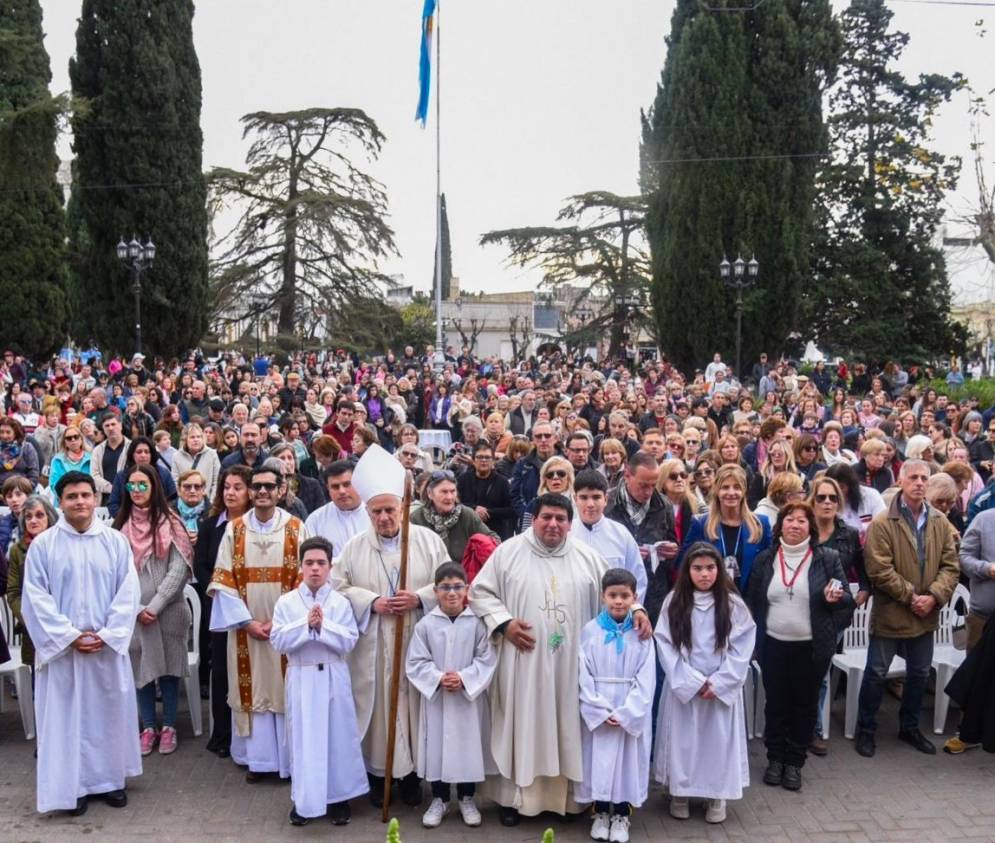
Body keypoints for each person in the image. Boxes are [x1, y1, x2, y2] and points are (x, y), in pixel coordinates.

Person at [468, 493, 652, 826]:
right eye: (546, 517)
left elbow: (618, 591)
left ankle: (570, 801)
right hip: (523, 662)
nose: (553, 524)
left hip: (572, 667)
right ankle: (515, 800)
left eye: (560, 519)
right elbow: (479, 593)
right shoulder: (507, 553)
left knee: (569, 727)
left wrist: (637, 609)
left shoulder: (587, 557)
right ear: (533, 518)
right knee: (523, 725)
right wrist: (504, 623)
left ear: (570, 523)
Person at [332, 445, 449, 808]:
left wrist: (418, 598)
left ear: (402, 508)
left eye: (390, 510)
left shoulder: (428, 541)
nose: (384, 518)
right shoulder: (354, 547)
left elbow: (448, 583)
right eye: (377, 511)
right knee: (376, 708)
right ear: (367, 511)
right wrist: (371, 602)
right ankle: (376, 774)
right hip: (373, 642)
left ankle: (412, 776)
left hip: (415, 636)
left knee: (412, 710)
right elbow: (338, 587)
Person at [21, 471, 141, 815]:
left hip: (104, 646)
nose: (80, 502)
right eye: (72, 496)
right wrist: (69, 636)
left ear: (96, 499)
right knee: (66, 720)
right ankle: (71, 787)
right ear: (61, 501)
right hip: (65, 652)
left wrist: (107, 634)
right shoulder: (44, 545)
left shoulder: (115, 542)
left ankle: (110, 782)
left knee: (108, 716)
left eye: (85, 495)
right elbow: (35, 599)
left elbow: (128, 591)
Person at [207, 463, 311, 782]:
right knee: (250, 689)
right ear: (251, 491)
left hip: (283, 631)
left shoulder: (296, 527)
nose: (263, 491)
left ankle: (289, 762)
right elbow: (222, 580)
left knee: (284, 689)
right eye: (257, 486)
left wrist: (279, 623)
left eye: (270, 486)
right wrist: (249, 622)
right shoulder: (234, 528)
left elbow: (304, 579)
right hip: (246, 632)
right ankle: (258, 761)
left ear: (281, 490)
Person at [855, 460, 961, 758]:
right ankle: (866, 729)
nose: (918, 482)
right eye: (913, 477)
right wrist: (912, 596)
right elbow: (878, 568)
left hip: (926, 614)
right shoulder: (882, 521)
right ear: (901, 480)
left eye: (924, 478)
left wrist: (934, 596)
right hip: (892, 612)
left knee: (918, 674)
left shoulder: (940, 521)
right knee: (876, 672)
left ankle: (909, 727)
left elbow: (951, 567)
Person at [745, 503, 854, 791]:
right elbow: (752, 602)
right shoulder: (765, 559)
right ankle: (775, 759)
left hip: (811, 648)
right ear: (780, 525)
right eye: (789, 519)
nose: (795, 525)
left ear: (811, 527)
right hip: (773, 647)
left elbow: (847, 601)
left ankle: (794, 762)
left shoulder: (827, 558)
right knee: (776, 705)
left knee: (804, 707)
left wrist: (835, 599)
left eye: (802, 521)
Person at [654, 543, 756, 824]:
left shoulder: (733, 604)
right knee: (683, 742)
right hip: (685, 685)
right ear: (687, 571)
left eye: (710, 568)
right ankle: (680, 792)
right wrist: (691, 681)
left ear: (719, 570)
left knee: (717, 743)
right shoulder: (674, 601)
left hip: (719, 686)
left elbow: (742, 645)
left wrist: (720, 682)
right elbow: (664, 643)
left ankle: (716, 794)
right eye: (697, 568)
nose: (704, 574)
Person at [270, 536, 368, 827]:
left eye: (321, 563)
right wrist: (305, 624)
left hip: (333, 675)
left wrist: (323, 625)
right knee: (304, 739)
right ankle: (305, 801)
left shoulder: (339, 602)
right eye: (309, 563)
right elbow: (277, 639)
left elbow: (349, 640)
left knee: (337, 737)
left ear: (330, 566)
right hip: (301, 675)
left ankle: (338, 798)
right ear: (300, 566)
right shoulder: (287, 602)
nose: (315, 569)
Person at [406, 562, 497, 829]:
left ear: (467, 589)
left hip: (467, 700)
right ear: (435, 591)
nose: (452, 593)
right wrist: (437, 678)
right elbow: (415, 662)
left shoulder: (477, 624)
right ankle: (439, 798)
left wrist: (465, 678)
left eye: (458, 587)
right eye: (445, 588)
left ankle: (467, 798)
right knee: (438, 747)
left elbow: (487, 659)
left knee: (468, 746)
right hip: (438, 699)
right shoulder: (425, 625)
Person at [114, 463, 193, 757]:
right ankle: (148, 727)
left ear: (154, 487)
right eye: (131, 485)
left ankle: (169, 726)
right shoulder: (119, 525)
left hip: (168, 612)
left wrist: (156, 605)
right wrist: (135, 607)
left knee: (169, 671)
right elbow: (114, 573)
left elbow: (179, 569)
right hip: (133, 616)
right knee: (140, 669)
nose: (136, 490)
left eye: (142, 484)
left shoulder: (170, 522)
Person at [578, 568, 655, 843]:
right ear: (603, 597)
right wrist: (598, 710)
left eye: (625, 596)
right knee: (598, 763)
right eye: (613, 595)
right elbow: (583, 674)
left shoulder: (641, 634)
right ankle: (600, 812)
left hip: (627, 708)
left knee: (626, 766)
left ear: (634, 598)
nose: (618, 601)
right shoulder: (590, 631)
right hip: (599, 707)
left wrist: (627, 713)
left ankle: (622, 814)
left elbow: (647, 678)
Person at [194, 465, 253, 759]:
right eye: (227, 487)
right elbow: (202, 566)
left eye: (238, 487)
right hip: (220, 608)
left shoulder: (255, 525)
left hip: (253, 608)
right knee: (222, 670)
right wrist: (221, 592)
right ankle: (222, 733)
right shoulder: (210, 526)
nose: (230, 492)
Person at [605, 451, 678, 626]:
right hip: (615, 593)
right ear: (627, 476)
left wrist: (671, 552)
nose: (649, 492)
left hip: (653, 594)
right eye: (643, 485)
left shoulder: (663, 504)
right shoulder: (607, 503)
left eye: (654, 485)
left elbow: (673, 544)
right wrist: (630, 551)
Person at [682, 464, 772, 591]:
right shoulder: (700, 523)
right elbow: (685, 564)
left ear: (744, 491)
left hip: (749, 601)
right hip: (711, 600)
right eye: (725, 487)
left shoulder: (761, 524)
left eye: (737, 487)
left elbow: (769, 567)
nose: (731, 493)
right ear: (717, 491)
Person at [570, 470, 647, 603]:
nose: (590, 504)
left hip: (614, 617)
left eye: (596, 497)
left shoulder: (621, 534)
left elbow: (637, 579)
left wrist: (633, 610)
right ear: (575, 499)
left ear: (605, 499)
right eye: (583, 497)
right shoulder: (567, 534)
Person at [5, 494, 59, 671]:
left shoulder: (64, 546)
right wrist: (30, 617)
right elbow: (13, 592)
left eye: (39, 515)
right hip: (33, 628)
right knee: (39, 685)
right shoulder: (17, 550)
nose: (33, 520)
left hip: (64, 624)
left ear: (49, 517)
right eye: (28, 516)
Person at [411, 469, 499, 566]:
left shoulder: (466, 515)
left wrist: (473, 559)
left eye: (452, 491)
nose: (449, 497)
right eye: (444, 492)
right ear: (430, 493)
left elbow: (494, 540)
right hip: (429, 576)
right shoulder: (416, 518)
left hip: (462, 577)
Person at [304, 460, 372, 554]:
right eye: (335, 487)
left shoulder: (376, 514)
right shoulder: (316, 520)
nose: (342, 491)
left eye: (347, 484)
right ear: (328, 488)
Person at [456, 443, 515, 541]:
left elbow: (511, 510)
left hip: (495, 533)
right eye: (480, 457)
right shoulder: (463, 480)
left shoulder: (502, 482)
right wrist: (474, 509)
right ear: (473, 460)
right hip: (467, 533)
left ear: (493, 461)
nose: (483, 460)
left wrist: (487, 512)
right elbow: (455, 503)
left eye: (487, 457)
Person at [107, 436, 178, 516]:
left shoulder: (163, 473)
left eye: (147, 452)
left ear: (152, 454)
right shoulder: (121, 476)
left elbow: (173, 500)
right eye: (139, 452)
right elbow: (113, 504)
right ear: (132, 454)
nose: (143, 455)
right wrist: (131, 519)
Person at [170, 422, 221, 500]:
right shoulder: (176, 456)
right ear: (185, 439)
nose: (196, 440)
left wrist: (211, 502)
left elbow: (217, 481)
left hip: (207, 502)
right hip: (185, 502)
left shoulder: (212, 454)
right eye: (192, 437)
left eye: (199, 437)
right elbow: (175, 481)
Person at [91, 413, 129, 504]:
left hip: (128, 497)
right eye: (107, 426)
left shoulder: (131, 447)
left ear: (120, 425)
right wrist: (112, 489)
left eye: (113, 424)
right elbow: (94, 475)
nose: (110, 428)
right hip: (105, 499)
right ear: (103, 429)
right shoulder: (97, 450)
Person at [48, 424, 91, 494]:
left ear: (81, 439)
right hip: (64, 499)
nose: (73, 440)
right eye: (69, 438)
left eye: (76, 437)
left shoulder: (91, 459)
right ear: (65, 443)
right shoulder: (57, 460)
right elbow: (53, 484)